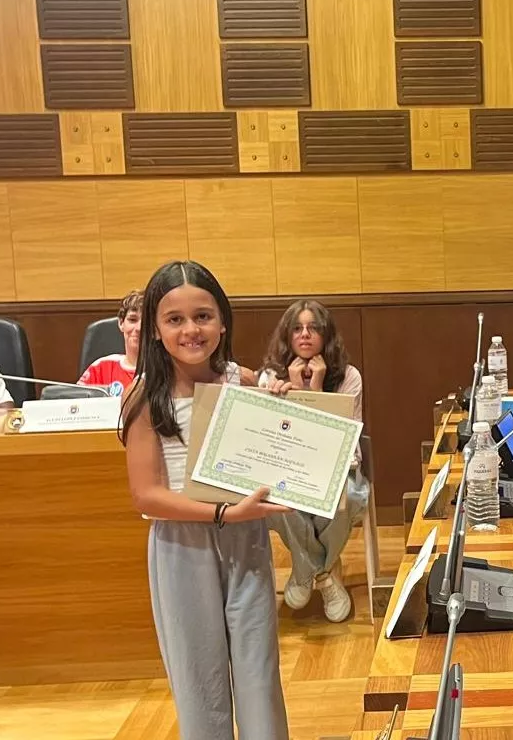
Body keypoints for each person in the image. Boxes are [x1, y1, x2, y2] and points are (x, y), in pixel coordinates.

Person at [118, 260, 286, 740]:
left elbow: (285, 440)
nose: (191, 329)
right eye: (175, 319)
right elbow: (145, 494)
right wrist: (224, 512)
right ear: (155, 328)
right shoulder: (145, 397)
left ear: (223, 321)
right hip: (181, 547)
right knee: (199, 680)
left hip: (246, 539)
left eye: (203, 316)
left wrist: (286, 397)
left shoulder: (241, 380)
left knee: (259, 672)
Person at [260, 300, 366, 623]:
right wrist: (288, 397)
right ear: (287, 336)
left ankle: (305, 571)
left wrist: (316, 390)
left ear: (326, 335)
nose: (305, 335)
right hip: (288, 470)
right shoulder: (270, 377)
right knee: (278, 498)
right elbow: (275, 442)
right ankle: (324, 572)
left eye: (313, 328)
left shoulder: (349, 377)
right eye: (297, 328)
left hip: (337, 466)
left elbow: (342, 441)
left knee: (346, 497)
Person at [79, 289, 143, 397]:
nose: (139, 328)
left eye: (146, 321)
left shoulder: (168, 371)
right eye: (132, 320)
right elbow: (77, 405)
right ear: (121, 323)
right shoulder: (100, 368)